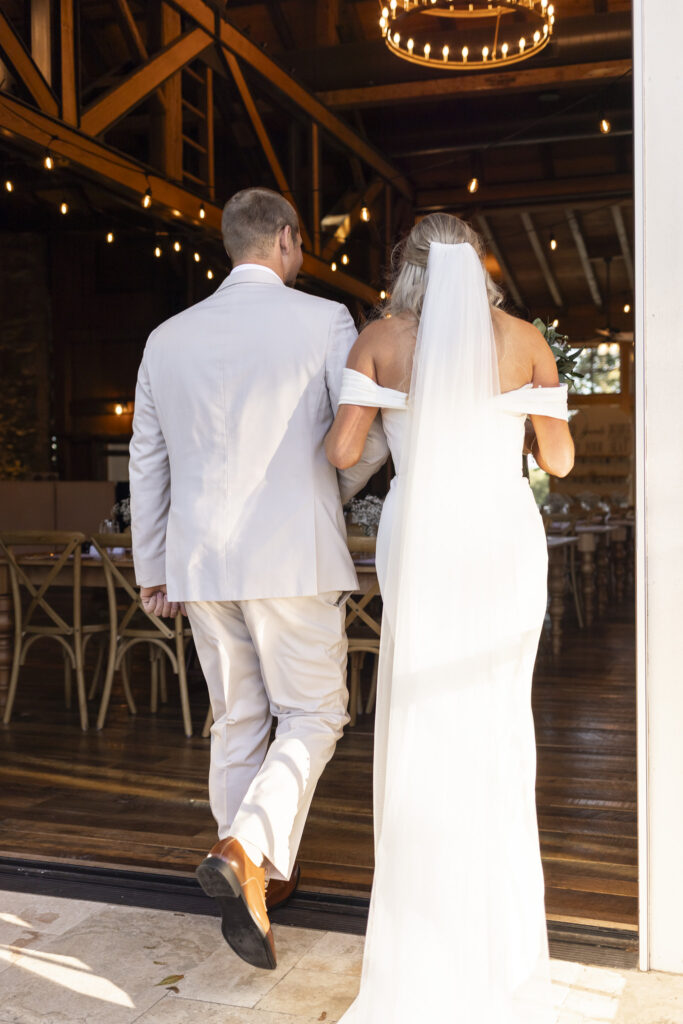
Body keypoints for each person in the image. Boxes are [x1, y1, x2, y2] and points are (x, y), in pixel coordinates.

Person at [128, 187, 388, 971]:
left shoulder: (165, 338)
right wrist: (327, 492)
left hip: (199, 561)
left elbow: (148, 459)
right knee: (314, 713)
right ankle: (246, 852)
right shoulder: (324, 322)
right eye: (300, 244)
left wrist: (151, 567)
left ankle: (254, 880)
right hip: (292, 556)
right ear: (284, 240)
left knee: (236, 719)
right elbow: (357, 442)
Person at [325, 213, 574, 1023]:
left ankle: (419, 944)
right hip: (502, 537)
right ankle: (497, 949)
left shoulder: (381, 337)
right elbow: (561, 460)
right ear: (482, 267)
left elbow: (340, 454)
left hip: (423, 535)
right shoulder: (524, 338)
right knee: (496, 720)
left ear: (409, 266)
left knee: (423, 714)